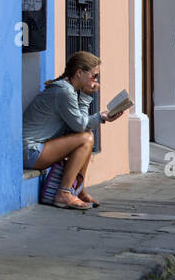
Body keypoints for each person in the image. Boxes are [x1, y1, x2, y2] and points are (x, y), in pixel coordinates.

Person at [22, 51, 112, 209]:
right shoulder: (64, 91)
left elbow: (80, 126)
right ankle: (63, 193)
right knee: (86, 138)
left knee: (87, 137)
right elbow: (80, 125)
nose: (96, 80)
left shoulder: (67, 89)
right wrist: (101, 117)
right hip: (30, 151)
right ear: (79, 73)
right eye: (94, 75)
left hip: (38, 149)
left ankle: (77, 190)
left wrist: (84, 96)